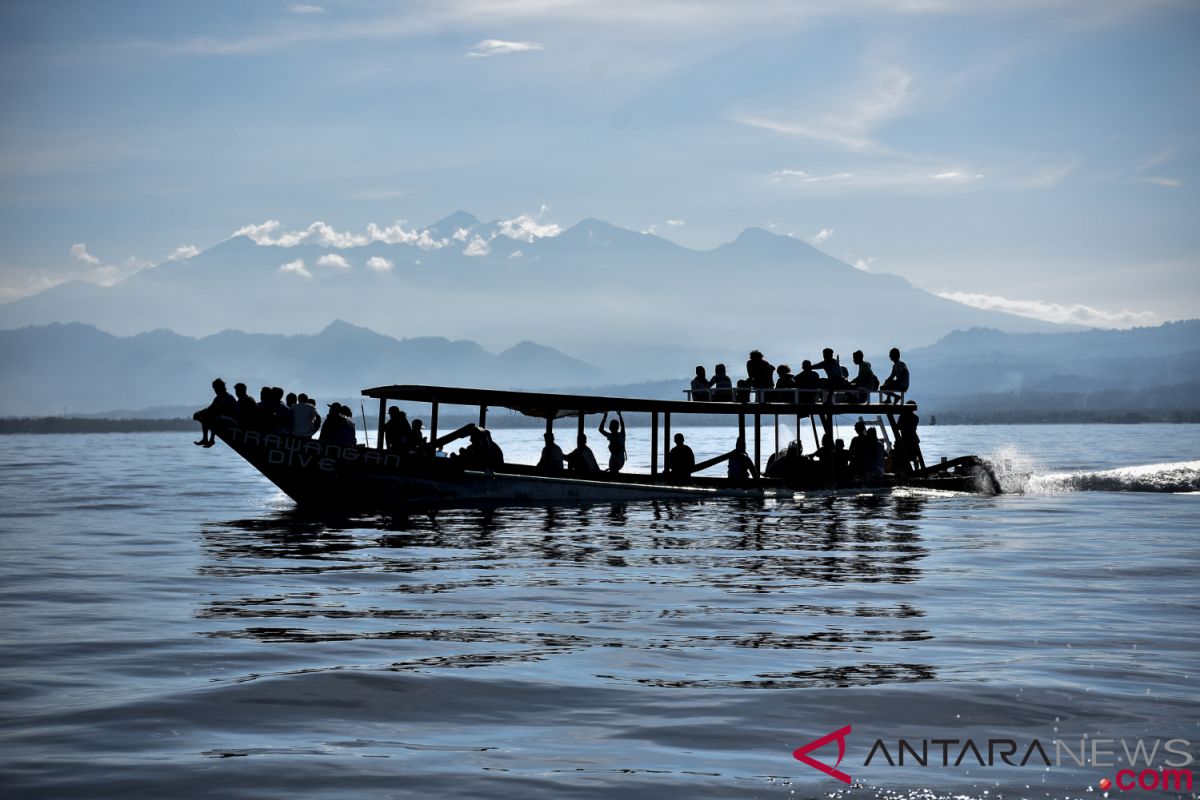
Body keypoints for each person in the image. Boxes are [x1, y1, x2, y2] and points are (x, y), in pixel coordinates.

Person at [192, 378, 237, 447]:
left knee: (213, 417)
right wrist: (199, 412)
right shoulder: (218, 397)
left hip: (232, 419)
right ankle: (205, 439)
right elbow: (210, 408)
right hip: (224, 417)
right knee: (204, 417)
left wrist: (204, 412)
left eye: (216, 389)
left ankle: (212, 440)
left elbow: (216, 410)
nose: (215, 391)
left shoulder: (227, 397)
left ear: (220, 388)